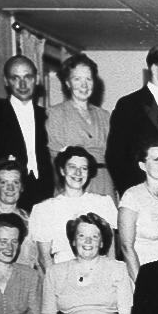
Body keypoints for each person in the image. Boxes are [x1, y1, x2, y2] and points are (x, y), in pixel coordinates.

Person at [0, 55, 53, 209]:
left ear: (37, 79)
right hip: (5, 201)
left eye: (28, 77)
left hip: (46, 198)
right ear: (6, 81)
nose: (22, 84)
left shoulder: (48, 116)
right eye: (15, 78)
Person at [105, 44, 158, 194]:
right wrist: (131, 193)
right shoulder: (129, 104)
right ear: (155, 69)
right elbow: (115, 156)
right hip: (143, 188)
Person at [29, 146, 118, 270]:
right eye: (72, 167)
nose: (78, 173)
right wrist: (57, 280)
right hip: (62, 272)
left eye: (84, 168)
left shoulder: (103, 203)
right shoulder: (44, 209)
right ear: (62, 170)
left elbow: (111, 252)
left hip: (99, 272)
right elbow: (44, 258)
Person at [46, 53, 117, 202]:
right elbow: (54, 159)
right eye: (77, 79)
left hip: (104, 183)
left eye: (88, 79)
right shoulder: (55, 114)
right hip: (73, 184)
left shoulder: (105, 116)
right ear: (67, 83)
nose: (84, 85)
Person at [117, 139, 158, 281]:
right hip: (142, 275)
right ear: (142, 165)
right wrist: (142, 286)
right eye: (156, 159)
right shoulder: (132, 196)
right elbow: (126, 247)